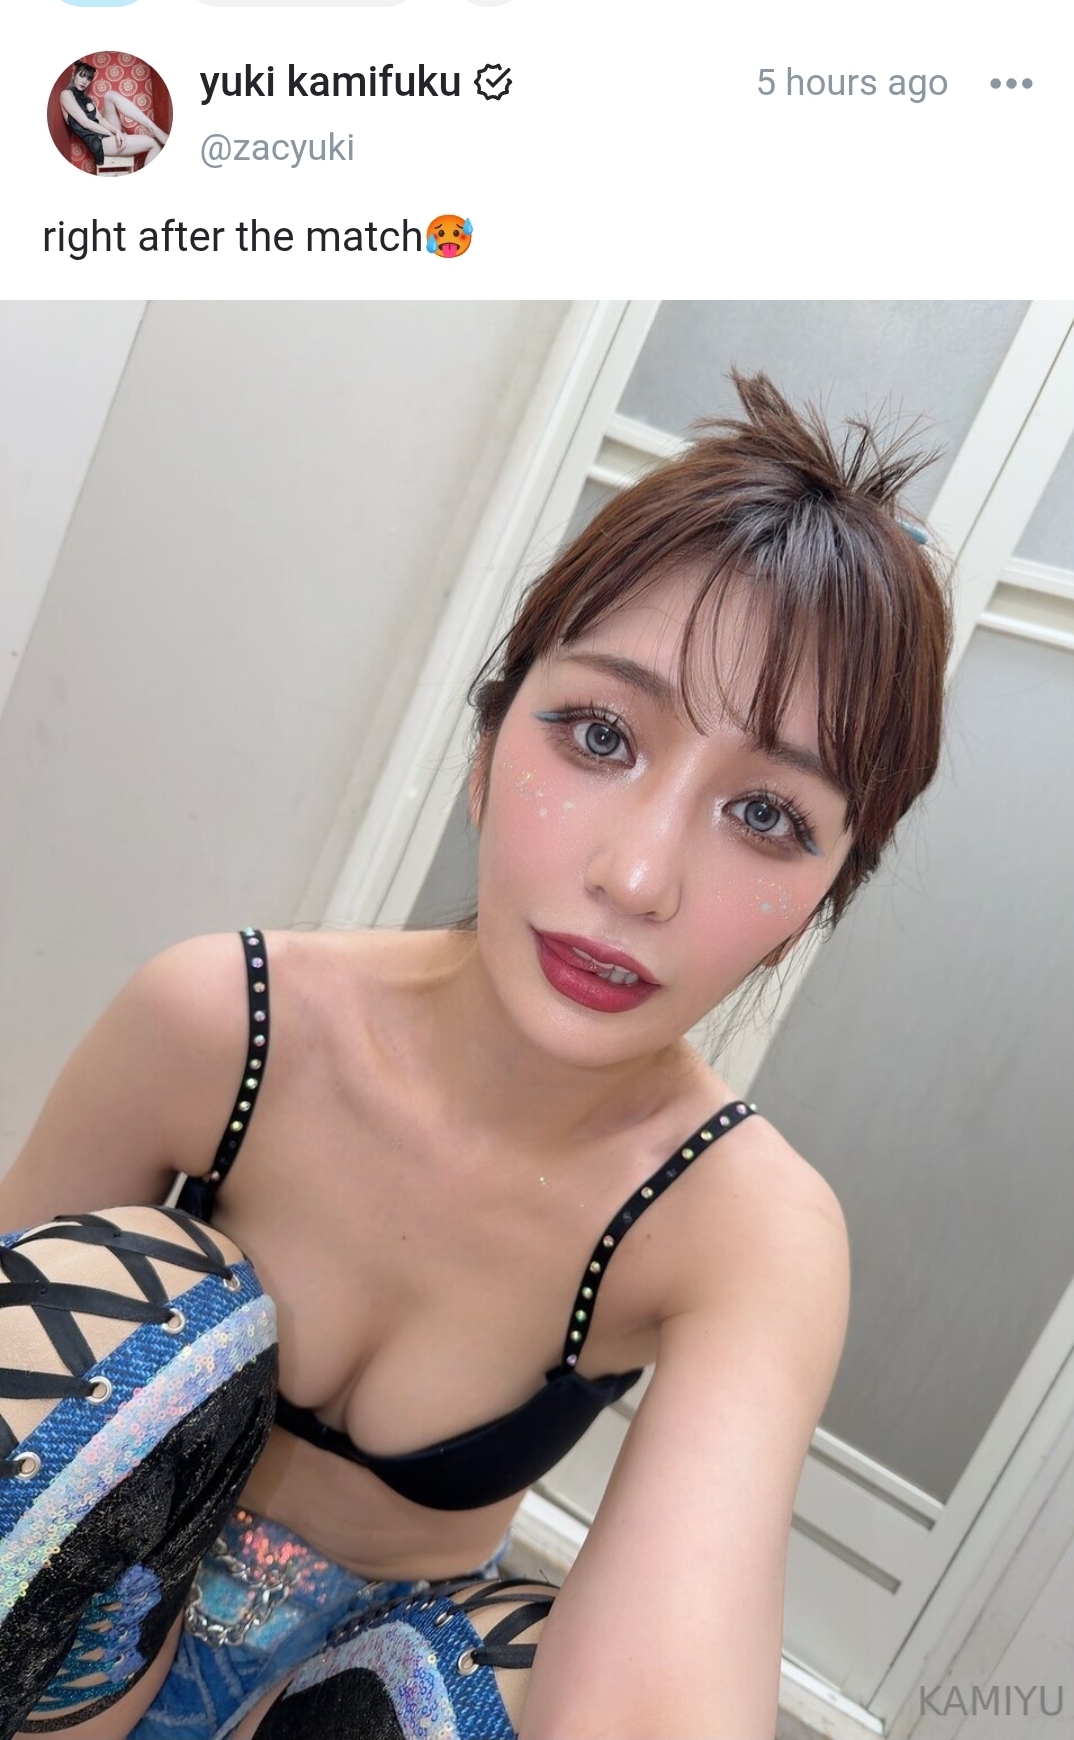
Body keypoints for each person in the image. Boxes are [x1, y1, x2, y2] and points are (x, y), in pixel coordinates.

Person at [0, 373, 952, 1740]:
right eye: (601, 734)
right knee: (120, 1293)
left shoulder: (744, 1231)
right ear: (487, 745)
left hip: (340, 1707)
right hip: (56, 1670)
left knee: (528, 1663)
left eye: (764, 814)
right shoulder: (222, 1022)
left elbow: (665, 1688)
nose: (636, 878)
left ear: (816, 902)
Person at [57, 61, 169, 170]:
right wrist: (115, 133)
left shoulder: (87, 99)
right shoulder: (66, 94)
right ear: (73, 75)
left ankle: (152, 127)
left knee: (109, 95)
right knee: (155, 143)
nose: (84, 81)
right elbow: (86, 123)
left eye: (88, 78)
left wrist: (117, 132)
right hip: (99, 143)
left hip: (106, 134)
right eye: (82, 76)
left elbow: (100, 119)